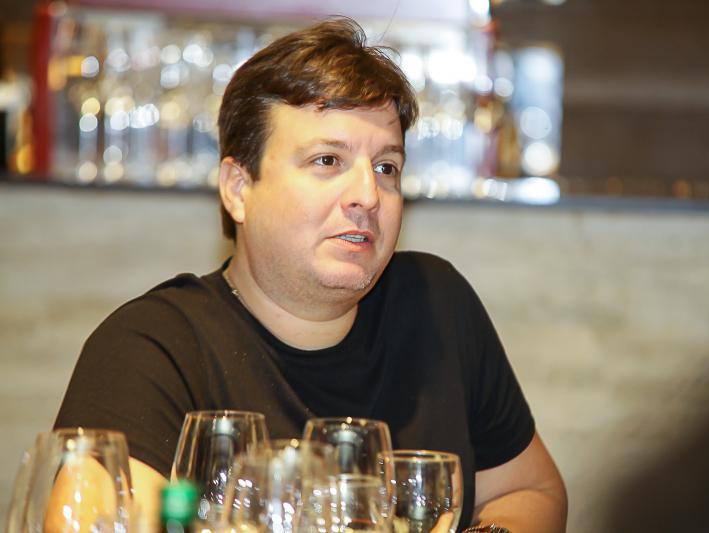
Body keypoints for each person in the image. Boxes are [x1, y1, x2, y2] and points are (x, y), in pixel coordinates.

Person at [54, 18, 567, 532]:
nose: (368, 196)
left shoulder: (436, 305)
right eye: (327, 160)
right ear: (238, 188)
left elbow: (531, 491)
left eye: (386, 168)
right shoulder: (151, 346)